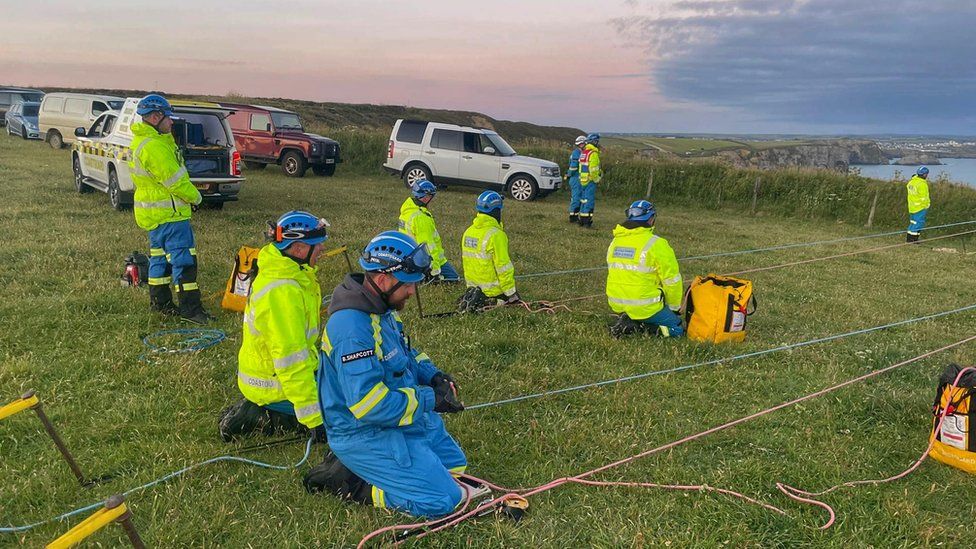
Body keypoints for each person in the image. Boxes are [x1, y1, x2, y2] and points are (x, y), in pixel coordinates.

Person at [305, 231, 470, 518]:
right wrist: (431, 400)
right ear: (383, 279)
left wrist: (433, 376)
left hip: (397, 418)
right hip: (363, 431)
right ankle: (352, 483)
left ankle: (390, 468)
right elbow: (370, 405)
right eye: (408, 285)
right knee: (442, 500)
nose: (412, 292)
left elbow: (406, 353)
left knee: (456, 467)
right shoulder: (352, 331)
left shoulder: (382, 309)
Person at [218, 211, 329, 442]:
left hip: (280, 375)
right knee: (340, 409)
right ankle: (258, 416)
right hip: (273, 385)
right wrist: (316, 420)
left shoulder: (288, 271)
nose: (322, 250)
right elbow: (291, 361)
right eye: (317, 244)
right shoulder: (283, 292)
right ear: (298, 248)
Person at [129, 94, 211, 324]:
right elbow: (175, 182)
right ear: (155, 117)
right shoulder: (155, 147)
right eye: (168, 118)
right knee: (184, 260)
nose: (172, 122)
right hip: (171, 216)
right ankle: (191, 310)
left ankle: (161, 304)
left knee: (159, 260)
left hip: (154, 216)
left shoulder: (144, 142)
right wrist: (197, 198)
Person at [606, 200, 684, 338]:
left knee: (637, 311)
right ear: (652, 219)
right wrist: (673, 308)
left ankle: (628, 318)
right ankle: (640, 328)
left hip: (617, 303)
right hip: (645, 306)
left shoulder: (615, 242)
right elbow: (671, 280)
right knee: (676, 328)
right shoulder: (657, 244)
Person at [460, 190, 521, 308]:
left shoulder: (469, 231)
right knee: (504, 301)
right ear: (497, 210)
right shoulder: (496, 235)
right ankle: (492, 302)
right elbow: (503, 267)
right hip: (492, 292)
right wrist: (511, 294)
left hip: (472, 289)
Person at [398, 179, 459, 283]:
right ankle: (426, 279)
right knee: (454, 278)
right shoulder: (421, 218)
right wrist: (435, 271)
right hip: (424, 261)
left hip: (409, 257)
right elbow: (429, 246)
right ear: (426, 197)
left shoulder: (407, 211)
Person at [577, 133, 602, 228]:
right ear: (595, 142)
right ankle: (587, 222)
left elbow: (581, 167)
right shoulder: (593, 153)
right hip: (590, 180)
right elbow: (593, 169)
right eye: (597, 141)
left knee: (583, 200)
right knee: (589, 201)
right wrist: (597, 179)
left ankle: (581, 220)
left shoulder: (584, 153)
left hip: (582, 180)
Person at [907, 166, 931, 243]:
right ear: (924, 174)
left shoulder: (911, 182)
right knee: (918, 223)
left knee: (912, 223)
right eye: (926, 174)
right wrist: (927, 205)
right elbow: (924, 197)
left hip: (912, 206)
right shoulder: (922, 184)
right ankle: (914, 241)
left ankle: (909, 239)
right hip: (920, 207)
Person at [567, 135, 587, 223]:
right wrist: (569, 174)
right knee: (576, 198)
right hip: (575, 178)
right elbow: (573, 167)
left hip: (578, 178)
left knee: (578, 198)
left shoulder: (580, 152)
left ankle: (575, 215)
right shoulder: (577, 153)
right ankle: (573, 217)